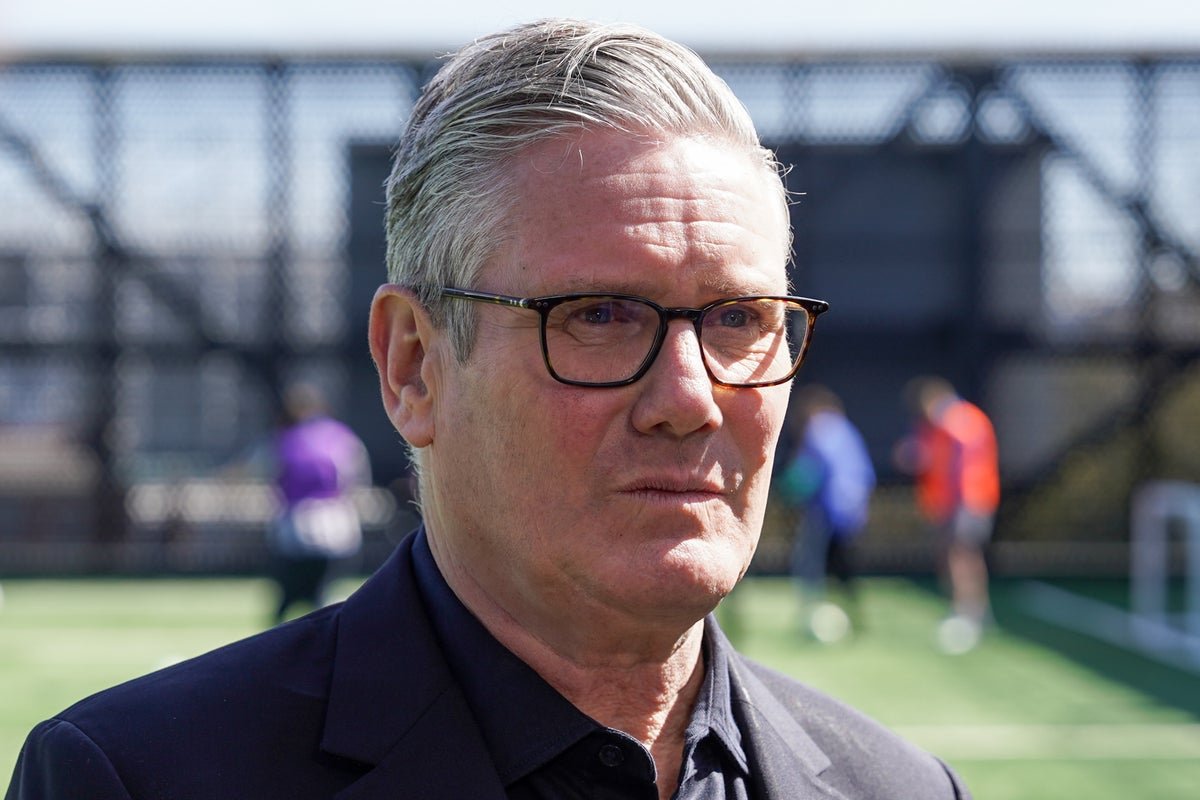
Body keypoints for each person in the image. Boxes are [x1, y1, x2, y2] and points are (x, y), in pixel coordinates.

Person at [7, 20, 972, 800]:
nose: (690, 397)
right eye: (597, 315)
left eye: (739, 318)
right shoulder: (136, 777)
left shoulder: (908, 789)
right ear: (413, 367)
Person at [896, 376, 1000, 654]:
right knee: (961, 557)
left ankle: (967, 614)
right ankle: (972, 612)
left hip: (966, 502)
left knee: (960, 557)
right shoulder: (949, 424)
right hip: (960, 503)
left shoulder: (958, 422)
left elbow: (957, 467)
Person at [778, 385, 875, 642]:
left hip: (826, 512)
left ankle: (812, 616)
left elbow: (807, 472)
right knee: (843, 568)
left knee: (810, 565)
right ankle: (856, 617)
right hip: (852, 513)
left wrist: (784, 490)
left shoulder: (819, 429)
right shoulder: (848, 431)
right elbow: (866, 473)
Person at [268, 382, 371, 624]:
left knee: (291, 589)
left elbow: (273, 477)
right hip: (337, 523)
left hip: (297, 524)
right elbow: (355, 478)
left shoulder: (287, 438)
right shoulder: (342, 435)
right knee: (324, 589)